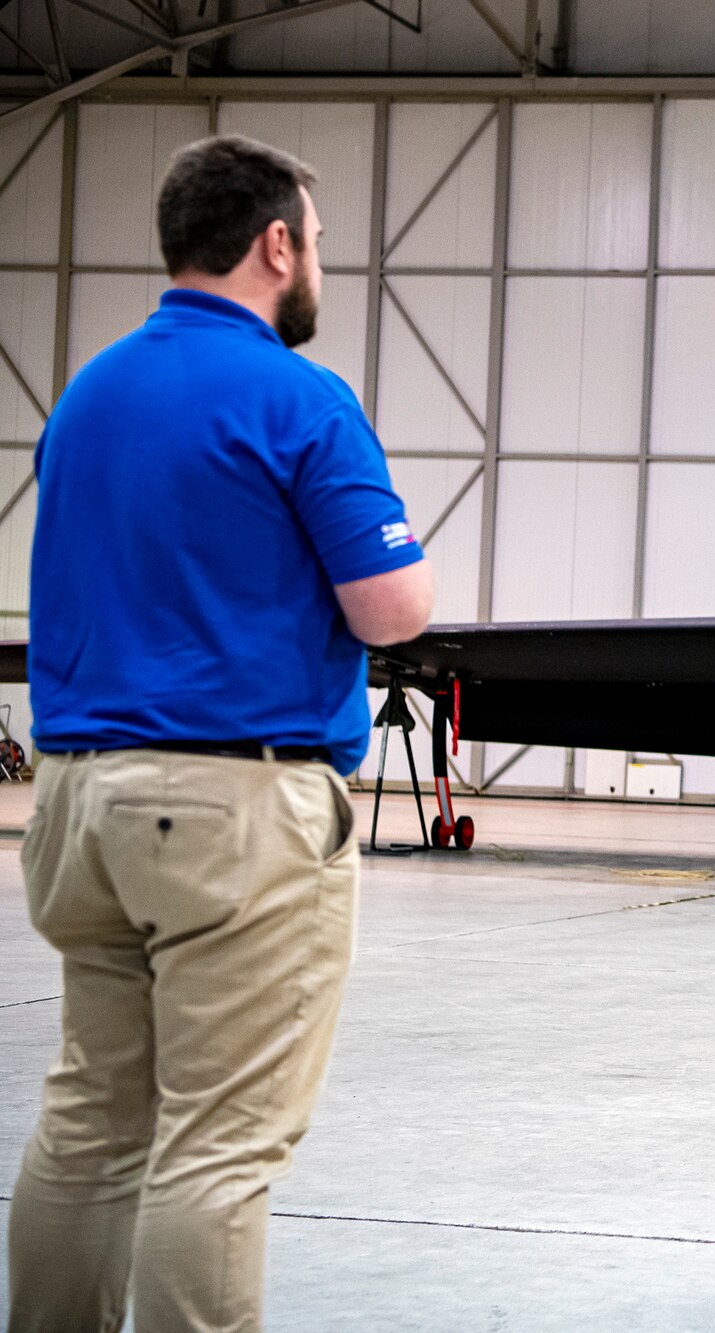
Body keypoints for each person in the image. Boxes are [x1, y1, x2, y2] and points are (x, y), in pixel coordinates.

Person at [9, 135, 432, 1332]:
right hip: (228, 814)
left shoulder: (88, 394)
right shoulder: (299, 398)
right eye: (316, 244)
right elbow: (391, 609)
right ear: (277, 242)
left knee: (93, 1122)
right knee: (218, 1144)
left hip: (78, 801)